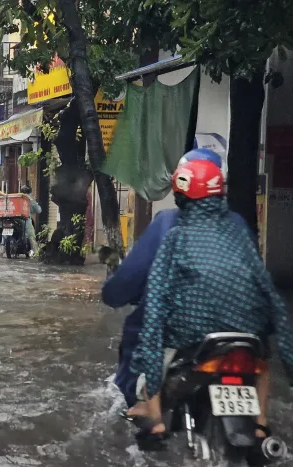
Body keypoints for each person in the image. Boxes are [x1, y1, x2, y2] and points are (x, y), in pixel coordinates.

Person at [128, 158, 293, 449]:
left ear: (183, 196)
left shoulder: (176, 237)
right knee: (264, 366)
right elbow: (268, 290)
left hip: (194, 337)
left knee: (150, 356)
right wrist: (290, 359)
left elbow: (155, 301)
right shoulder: (239, 235)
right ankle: (261, 426)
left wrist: (149, 347)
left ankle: (156, 418)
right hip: (247, 337)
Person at [103, 150, 250, 416]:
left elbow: (129, 280)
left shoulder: (168, 223)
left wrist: (114, 288)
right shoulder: (237, 224)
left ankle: (140, 410)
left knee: (136, 335)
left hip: (184, 331)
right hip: (240, 331)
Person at [20, 185, 42, 256]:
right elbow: (38, 210)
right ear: (30, 191)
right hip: (25, 219)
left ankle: (2, 250)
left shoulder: (17, 197)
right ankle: (36, 253)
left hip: (15, 219)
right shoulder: (29, 199)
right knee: (31, 235)